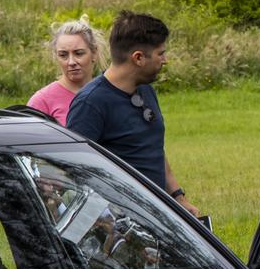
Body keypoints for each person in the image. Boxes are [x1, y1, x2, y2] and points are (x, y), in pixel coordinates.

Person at [67, 11, 199, 216]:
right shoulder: (90, 103)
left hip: (158, 212)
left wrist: (177, 197)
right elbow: (76, 171)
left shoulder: (145, 90)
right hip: (123, 221)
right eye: (160, 53)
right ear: (138, 58)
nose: (165, 60)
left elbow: (153, 147)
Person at [27, 16, 104, 125]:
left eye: (79, 53)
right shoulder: (41, 102)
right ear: (56, 56)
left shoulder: (107, 95)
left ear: (94, 53)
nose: (71, 62)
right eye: (63, 55)